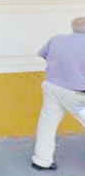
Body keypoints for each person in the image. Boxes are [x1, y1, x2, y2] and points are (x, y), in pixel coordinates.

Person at [31, 17, 85, 171]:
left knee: (47, 123)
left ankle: (41, 160)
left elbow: (44, 55)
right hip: (78, 95)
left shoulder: (57, 40)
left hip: (52, 87)